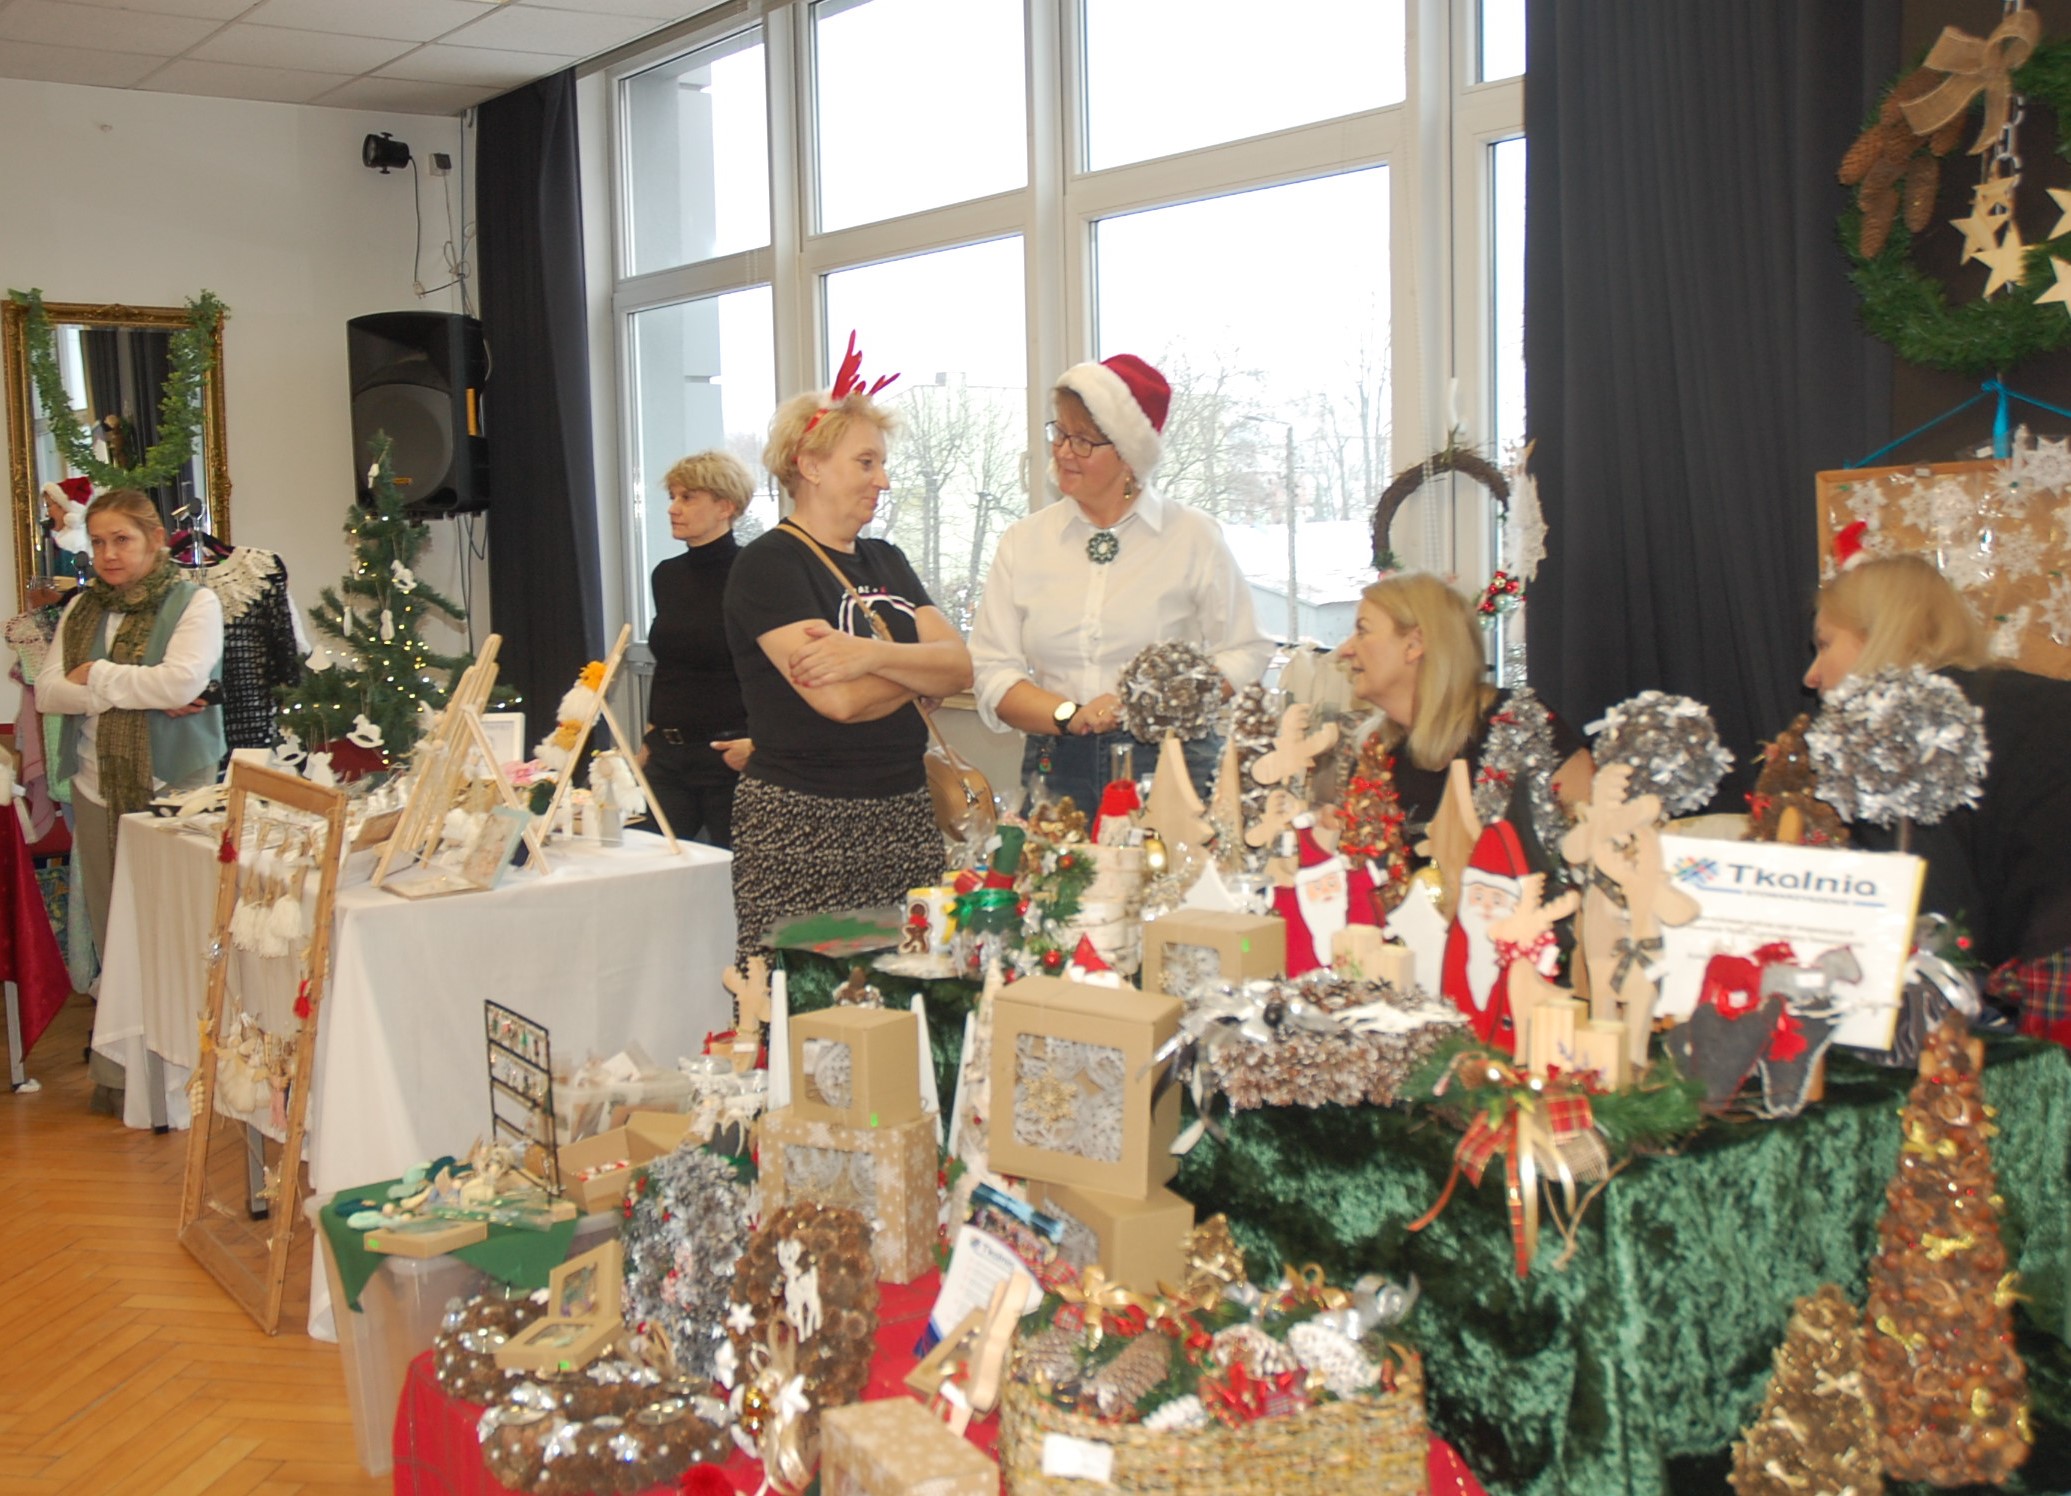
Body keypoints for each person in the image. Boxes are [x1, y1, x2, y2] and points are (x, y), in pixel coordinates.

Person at [723, 374, 973, 968]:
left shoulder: (887, 559)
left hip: (905, 816)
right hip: (804, 825)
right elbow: (839, 702)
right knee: (809, 1000)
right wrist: (917, 674)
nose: (882, 480)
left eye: (882, 463)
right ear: (810, 465)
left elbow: (961, 666)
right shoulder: (769, 565)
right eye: (866, 462)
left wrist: (871, 656)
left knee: (908, 991)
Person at [968, 354, 1272, 814]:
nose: (1063, 452)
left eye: (1083, 441)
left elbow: (1247, 650)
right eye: (1060, 433)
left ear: (1130, 455)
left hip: (1171, 765)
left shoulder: (1192, 536)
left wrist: (1147, 703)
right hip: (1056, 763)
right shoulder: (1024, 542)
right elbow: (992, 670)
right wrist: (1069, 715)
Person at [1803, 553, 2071, 1045]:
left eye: (1825, 645)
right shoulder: (2028, 701)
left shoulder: (1895, 732)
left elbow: (1938, 933)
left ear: (1878, 635)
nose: (1812, 676)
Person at [36, 489, 225, 970]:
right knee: (113, 922)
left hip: (176, 784)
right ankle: (123, 1019)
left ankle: (183, 1020)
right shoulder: (81, 609)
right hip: (93, 784)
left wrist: (94, 675)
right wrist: (141, 691)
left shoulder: (195, 602)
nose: (108, 554)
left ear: (155, 538)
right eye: (98, 542)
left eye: (121, 539)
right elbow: (48, 694)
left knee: (179, 922)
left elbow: (180, 682)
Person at [1336, 570, 1592, 832]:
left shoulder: (1520, 726)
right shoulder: (1376, 755)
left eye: (1362, 631)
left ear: (1414, 645)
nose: (1344, 650)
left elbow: (1592, 839)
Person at [640, 451, 756, 849]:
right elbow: (671, 666)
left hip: (730, 756)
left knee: (736, 873)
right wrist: (650, 738)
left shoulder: (754, 573)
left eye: (687, 498)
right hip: (668, 757)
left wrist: (760, 743)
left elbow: (776, 669)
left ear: (726, 506)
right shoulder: (667, 575)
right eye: (672, 497)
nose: (673, 508)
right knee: (648, 864)